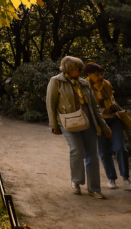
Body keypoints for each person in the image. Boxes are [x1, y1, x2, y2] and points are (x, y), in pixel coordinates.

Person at [46, 56, 111, 199]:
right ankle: (76, 181)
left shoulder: (83, 83)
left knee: (93, 156)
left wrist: (104, 126)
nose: (82, 71)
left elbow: (93, 106)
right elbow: (50, 104)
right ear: (69, 69)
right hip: (68, 123)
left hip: (88, 122)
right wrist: (54, 125)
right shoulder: (56, 81)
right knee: (77, 151)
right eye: (79, 69)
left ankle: (94, 188)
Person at [84, 62, 131, 193]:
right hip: (97, 123)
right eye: (97, 74)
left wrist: (112, 105)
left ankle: (126, 179)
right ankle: (111, 178)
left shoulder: (106, 84)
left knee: (121, 148)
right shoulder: (84, 86)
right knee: (104, 152)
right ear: (88, 74)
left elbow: (111, 98)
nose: (100, 77)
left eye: (101, 74)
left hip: (114, 119)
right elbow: (85, 106)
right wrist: (100, 111)